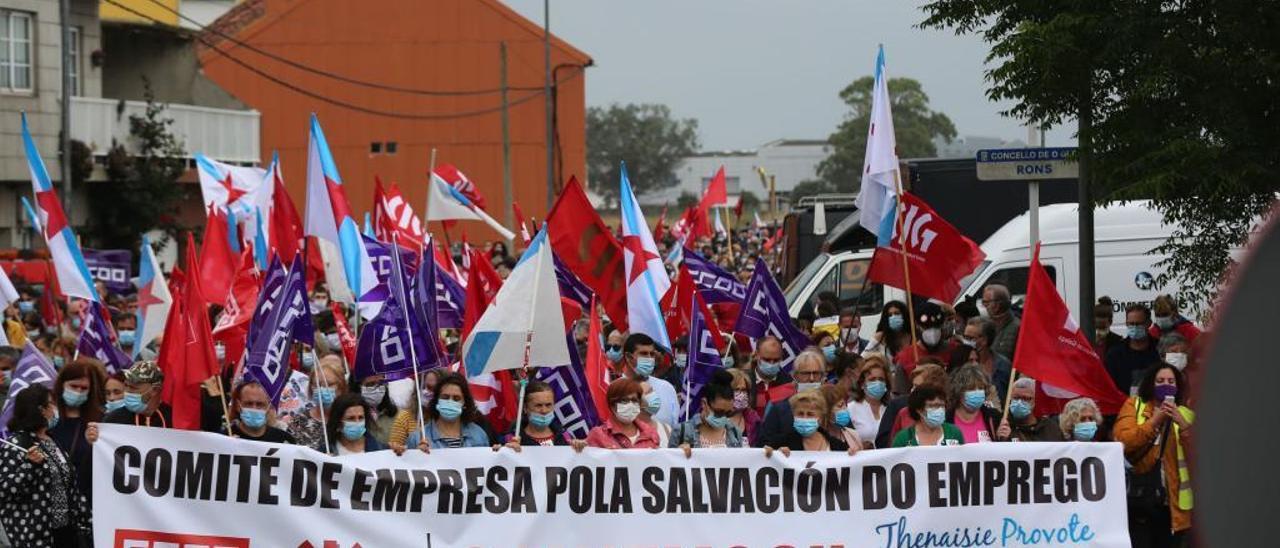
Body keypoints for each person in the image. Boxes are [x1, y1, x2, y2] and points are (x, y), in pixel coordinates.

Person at [1113, 363, 1195, 547]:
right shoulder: (1134, 405)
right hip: (1141, 500)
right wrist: (1154, 421)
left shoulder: (1186, 415)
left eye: (1171, 381)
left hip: (1173, 506)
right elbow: (1124, 441)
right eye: (1160, 381)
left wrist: (1183, 426)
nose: (1166, 384)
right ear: (1150, 384)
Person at [0, 384, 92, 545]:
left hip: (66, 532)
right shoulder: (15, 444)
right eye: (52, 403)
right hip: (36, 536)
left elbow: (70, 485)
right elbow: (5, 491)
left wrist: (87, 519)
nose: (55, 408)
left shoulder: (52, 440)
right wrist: (29, 466)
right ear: (41, 410)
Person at [49, 359, 106, 500]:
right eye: (73, 386)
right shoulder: (48, 416)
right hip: (51, 497)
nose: (78, 392)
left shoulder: (99, 420)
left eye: (84, 388)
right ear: (62, 384)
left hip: (84, 498)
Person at [753, 349, 826, 448]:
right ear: (795, 376)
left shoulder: (832, 405)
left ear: (822, 376)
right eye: (806, 373)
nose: (812, 378)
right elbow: (764, 444)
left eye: (816, 373)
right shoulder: (779, 408)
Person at [406, 372, 490, 450]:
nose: (450, 401)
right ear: (437, 400)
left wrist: (498, 452)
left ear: (465, 403)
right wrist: (417, 455)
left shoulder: (478, 435)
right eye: (445, 397)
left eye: (456, 398)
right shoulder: (417, 438)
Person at [671, 370, 744, 455]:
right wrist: (677, 454)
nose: (723, 417)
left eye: (728, 413)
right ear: (704, 404)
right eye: (719, 412)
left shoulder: (735, 433)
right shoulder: (682, 432)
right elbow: (667, 463)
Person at [497, 380, 586, 450]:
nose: (544, 410)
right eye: (538, 405)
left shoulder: (565, 437)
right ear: (525, 408)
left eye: (548, 405)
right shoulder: (509, 439)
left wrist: (579, 450)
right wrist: (503, 451)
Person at [877, 362, 948, 449]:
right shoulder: (902, 413)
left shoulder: (949, 413)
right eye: (913, 386)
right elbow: (889, 446)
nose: (912, 390)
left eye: (917, 386)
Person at [619, 333, 678, 428]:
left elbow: (675, 427)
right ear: (629, 357)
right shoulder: (615, 390)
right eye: (644, 354)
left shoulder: (667, 388)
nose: (650, 359)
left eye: (652, 354)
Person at [287, 360, 347, 452]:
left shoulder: (351, 418)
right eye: (317, 385)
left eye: (329, 384)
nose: (322, 389)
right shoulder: (299, 422)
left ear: (341, 387)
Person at [765, 390, 851, 454]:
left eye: (810, 414)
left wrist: (852, 455)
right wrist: (774, 455)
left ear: (820, 417)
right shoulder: (780, 443)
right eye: (800, 413)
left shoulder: (839, 446)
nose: (804, 418)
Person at [585, 378, 661, 449]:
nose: (630, 404)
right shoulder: (598, 435)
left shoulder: (651, 434)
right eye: (624, 400)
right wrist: (578, 446)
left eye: (634, 400)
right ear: (612, 405)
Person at [1106, 303, 1161, 394]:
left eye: (1139, 324)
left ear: (1149, 323)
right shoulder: (1115, 354)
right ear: (1126, 323)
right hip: (1123, 405)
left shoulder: (1160, 349)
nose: (1135, 327)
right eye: (1131, 324)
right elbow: (1109, 386)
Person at [893, 303, 956, 378]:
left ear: (942, 325)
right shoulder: (904, 358)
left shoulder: (955, 351)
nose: (932, 331)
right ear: (917, 325)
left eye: (936, 326)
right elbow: (900, 389)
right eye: (926, 327)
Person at [102, 360, 171, 427]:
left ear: (155, 390)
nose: (127, 392)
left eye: (133, 388)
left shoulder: (173, 417)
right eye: (126, 385)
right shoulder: (114, 419)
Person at [892, 386, 964, 447]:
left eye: (941, 405)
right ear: (919, 410)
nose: (939, 410)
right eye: (932, 406)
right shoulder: (903, 438)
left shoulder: (954, 433)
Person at [995, 377, 1063, 442]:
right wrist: (1003, 440)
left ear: (1035, 400)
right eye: (1016, 398)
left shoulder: (1050, 428)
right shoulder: (1003, 426)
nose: (1019, 402)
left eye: (1026, 398)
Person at [227, 380, 295, 443]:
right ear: (238, 406)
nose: (254, 408)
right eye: (248, 403)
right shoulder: (225, 437)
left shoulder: (284, 440)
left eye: (260, 404)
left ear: (268, 407)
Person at [389, 368, 442, 449]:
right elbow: (394, 452)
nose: (431, 392)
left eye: (436, 389)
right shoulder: (405, 418)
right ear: (418, 388)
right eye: (428, 387)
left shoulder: (445, 417)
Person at [947, 364, 999, 444]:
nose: (977, 392)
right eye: (971, 388)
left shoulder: (994, 416)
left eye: (981, 388)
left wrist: (1004, 437)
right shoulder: (946, 419)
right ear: (959, 391)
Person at [962, 317, 1012, 400]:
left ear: (984, 340)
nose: (966, 341)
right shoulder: (959, 362)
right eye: (965, 337)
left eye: (970, 338)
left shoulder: (1003, 365)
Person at [847, 355, 890, 449]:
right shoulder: (851, 409)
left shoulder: (891, 409)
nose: (877, 383)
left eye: (881, 379)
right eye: (872, 379)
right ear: (862, 384)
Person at [750, 336, 796, 416]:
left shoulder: (789, 383)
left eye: (776, 360)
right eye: (767, 360)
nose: (771, 364)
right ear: (757, 355)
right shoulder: (744, 381)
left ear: (781, 357)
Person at [981, 284, 1020, 359]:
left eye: (986, 302)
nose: (984, 306)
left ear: (997, 305)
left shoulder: (1017, 328)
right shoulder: (986, 325)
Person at [820, 384, 862, 452]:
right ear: (825, 411)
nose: (844, 409)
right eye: (840, 406)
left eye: (844, 404)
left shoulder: (853, 435)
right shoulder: (816, 439)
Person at [725, 368, 762, 444]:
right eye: (736, 389)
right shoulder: (715, 419)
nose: (741, 394)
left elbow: (763, 445)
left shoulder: (754, 419)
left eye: (744, 390)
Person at [357, 375, 397, 444]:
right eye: (370, 384)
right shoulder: (351, 416)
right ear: (358, 386)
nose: (376, 389)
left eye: (381, 384)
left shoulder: (397, 415)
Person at [639, 380, 673, 447]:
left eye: (652, 391)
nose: (654, 395)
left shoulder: (666, 429)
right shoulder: (631, 432)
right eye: (648, 393)